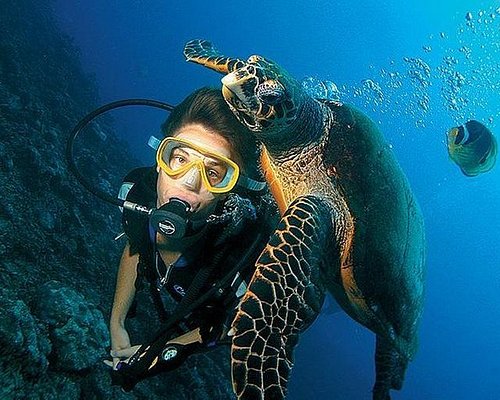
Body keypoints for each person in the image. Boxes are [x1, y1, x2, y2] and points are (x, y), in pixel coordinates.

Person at [106, 87, 277, 390]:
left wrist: (158, 355)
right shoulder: (136, 193)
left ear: (233, 187)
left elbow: (229, 326)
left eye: (213, 172)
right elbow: (136, 245)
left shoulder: (247, 256)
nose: (188, 181)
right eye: (179, 157)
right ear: (161, 157)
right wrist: (117, 322)